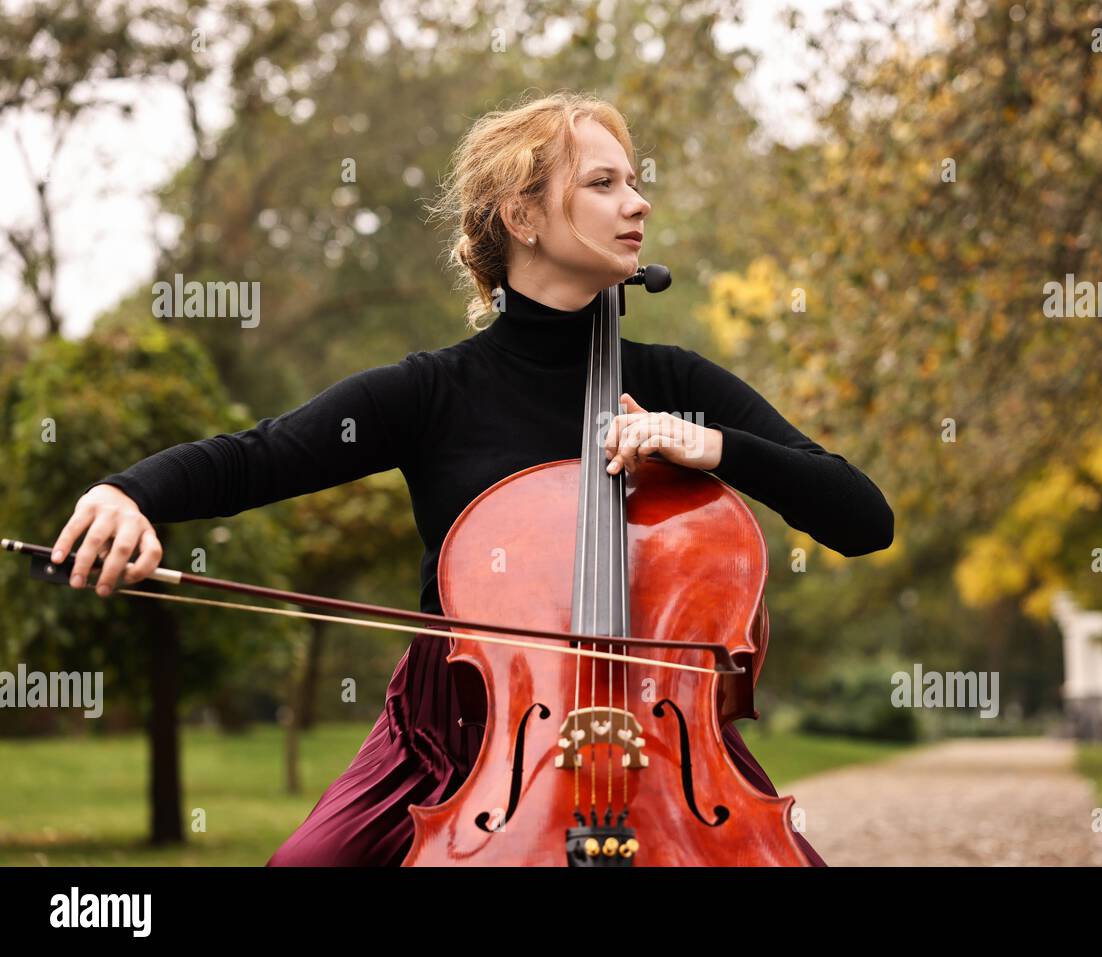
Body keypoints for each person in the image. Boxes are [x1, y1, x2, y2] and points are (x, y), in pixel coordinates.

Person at [51, 92, 893, 867]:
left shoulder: (678, 385)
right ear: (521, 214)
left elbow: (863, 517)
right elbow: (257, 454)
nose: (639, 203)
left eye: (634, 182)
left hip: (660, 741)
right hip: (456, 734)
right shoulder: (434, 392)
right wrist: (131, 491)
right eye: (604, 183)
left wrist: (716, 448)